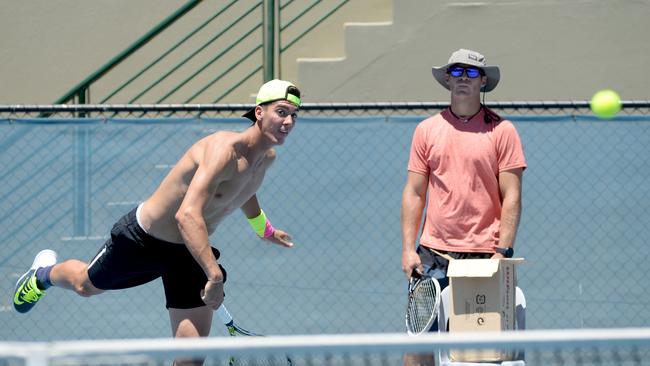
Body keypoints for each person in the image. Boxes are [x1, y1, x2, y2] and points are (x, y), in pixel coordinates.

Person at [13, 79, 301, 364]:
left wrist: (263, 228)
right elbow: (187, 215)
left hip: (189, 251)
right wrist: (214, 276)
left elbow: (242, 190)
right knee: (85, 286)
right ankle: (42, 274)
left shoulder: (266, 158)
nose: (288, 121)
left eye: (294, 115)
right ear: (259, 112)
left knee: (190, 359)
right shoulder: (223, 151)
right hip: (144, 240)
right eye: (281, 111)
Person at [401, 48, 526, 336]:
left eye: (471, 72)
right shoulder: (426, 130)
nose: (463, 78)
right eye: (457, 71)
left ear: (483, 81)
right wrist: (408, 249)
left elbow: (512, 196)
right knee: (420, 342)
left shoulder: (502, 131)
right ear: (447, 78)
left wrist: (502, 252)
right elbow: (414, 193)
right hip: (432, 256)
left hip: (485, 257)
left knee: (480, 347)